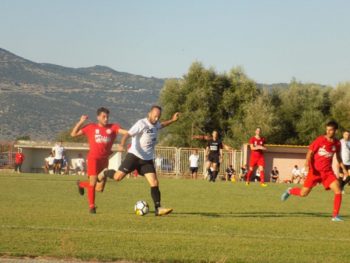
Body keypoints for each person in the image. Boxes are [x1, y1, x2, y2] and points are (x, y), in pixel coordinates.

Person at [96, 105, 180, 216]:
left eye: (158, 117)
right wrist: (122, 144)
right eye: (155, 116)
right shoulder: (141, 124)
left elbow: (162, 125)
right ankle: (105, 172)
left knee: (154, 182)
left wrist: (173, 120)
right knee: (117, 177)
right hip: (134, 156)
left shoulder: (156, 124)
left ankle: (158, 208)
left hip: (147, 160)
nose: (156, 119)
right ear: (149, 114)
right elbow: (127, 134)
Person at [281, 121, 348, 222]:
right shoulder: (320, 140)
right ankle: (290, 190)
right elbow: (310, 152)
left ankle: (335, 216)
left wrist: (344, 169)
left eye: (331, 130)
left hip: (327, 172)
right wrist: (307, 164)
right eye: (327, 130)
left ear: (335, 130)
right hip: (315, 171)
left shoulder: (337, 143)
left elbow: (338, 157)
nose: (328, 132)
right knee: (304, 193)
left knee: (338, 191)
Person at [71, 107, 128, 214]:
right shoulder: (91, 127)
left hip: (104, 160)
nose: (106, 119)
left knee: (99, 189)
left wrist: (132, 135)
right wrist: (81, 121)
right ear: (98, 117)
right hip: (93, 159)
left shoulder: (113, 127)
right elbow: (73, 134)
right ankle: (92, 207)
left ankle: (81, 184)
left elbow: (126, 132)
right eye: (103, 117)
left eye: (107, 117)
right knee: (93, 182)